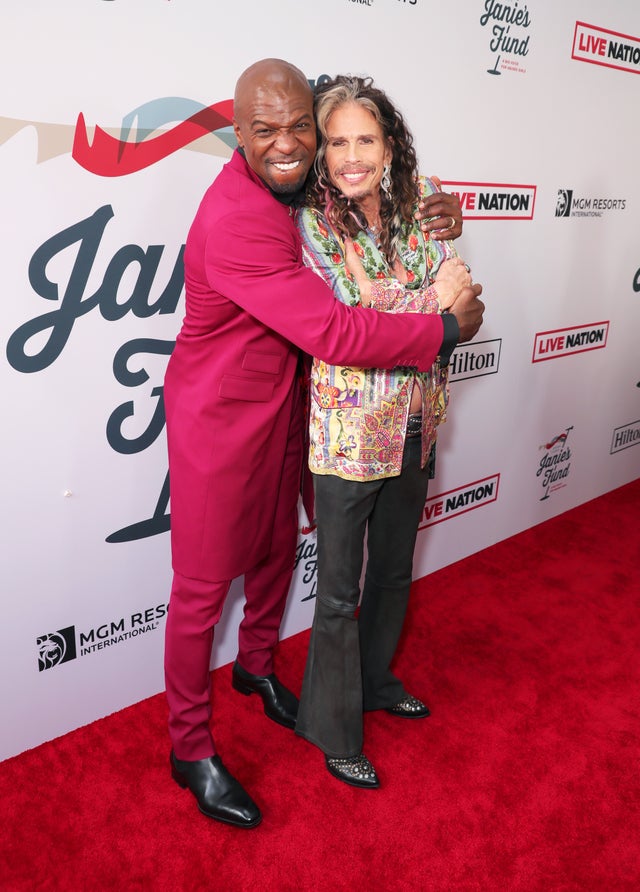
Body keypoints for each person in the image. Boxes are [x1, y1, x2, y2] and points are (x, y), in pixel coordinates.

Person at [163, 58, 484, 827]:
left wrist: (445, 208)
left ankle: (258, 671)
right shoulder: (238, 217)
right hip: (219, 419)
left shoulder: (301, 180)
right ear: (235, 135)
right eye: (265, 131)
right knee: (202, 592)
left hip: (287, 408)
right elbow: (334, 329)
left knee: (277, 551)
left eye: (298, 126)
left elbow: (370, 181)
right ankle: (189, 747)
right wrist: (444, 328)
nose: (288, 144)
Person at [294, 75, 475, 788]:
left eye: (364, 138)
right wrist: (433, 305)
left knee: (394, 569)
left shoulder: (421, 198)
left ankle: (373, 683)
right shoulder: (312, 221)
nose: (350, 155)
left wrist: (408, 302)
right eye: (336, 142)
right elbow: (347, 316)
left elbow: (456, 279)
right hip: (348, 430)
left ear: (390, 144)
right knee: (339, 588)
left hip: (415, 420)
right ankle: (332, 727)